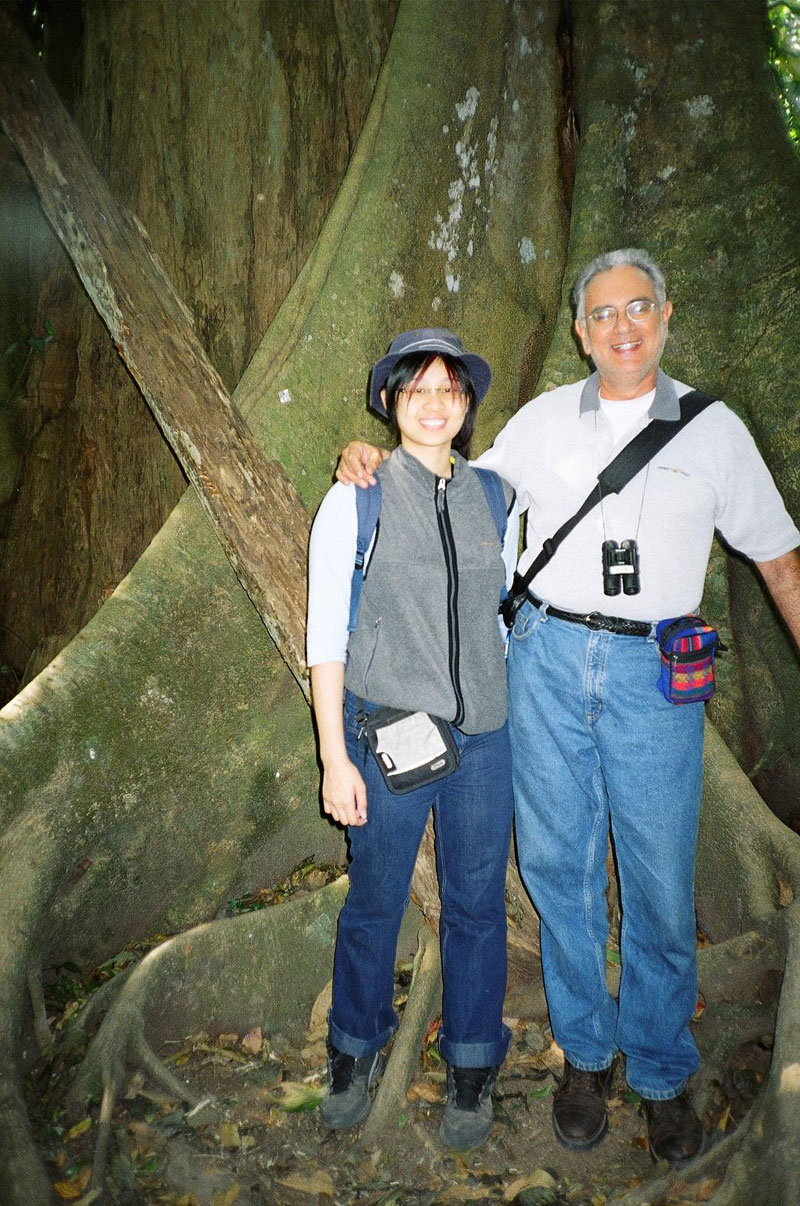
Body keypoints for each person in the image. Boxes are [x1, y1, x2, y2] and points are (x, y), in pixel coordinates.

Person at [336, 250, 800, 1167]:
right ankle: (586, 1056)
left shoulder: (714, 431)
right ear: (581, 330)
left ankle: (662, 1070)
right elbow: (451, 486)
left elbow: (779, 558)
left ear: (665, 317)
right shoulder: (543, 423)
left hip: (654, 673)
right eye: (602, 314)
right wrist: (366, 460)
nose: (622, 327)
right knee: (557, 866)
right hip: (544, 658)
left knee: (660, 877)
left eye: (638, 309)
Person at [307, 328, 519, 1148]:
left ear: (467, 407)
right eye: (417, 388)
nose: (435, 403)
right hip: (388, 732)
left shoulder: (496, 495)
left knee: (475, 907)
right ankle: (353, 1050)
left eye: (451, 389)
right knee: (376, 902)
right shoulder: (355, 498)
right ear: (391, 401)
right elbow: (325, 633)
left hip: (486, 741)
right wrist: (334, 756)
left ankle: (472, 1066)